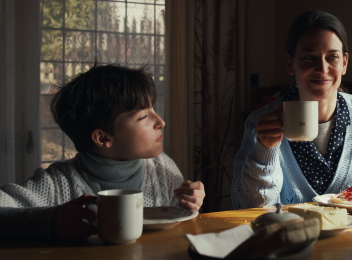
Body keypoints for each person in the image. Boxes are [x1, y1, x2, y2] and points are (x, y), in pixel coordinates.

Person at [0, 64, 206, 241]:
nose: (161, 122)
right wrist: (51, 221)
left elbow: (179, 226)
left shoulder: (162, 168)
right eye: (144, 117)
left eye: (154, 110)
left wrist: (192, 203)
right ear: (103, 138)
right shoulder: (57, 183)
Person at [232, 10, 352, 209]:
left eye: (332, 57)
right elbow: (246, 205)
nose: (322, 69)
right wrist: (265, 149)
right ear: (290, 64)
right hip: (292, 238)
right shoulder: (262, 123)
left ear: (344, 63)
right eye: (309, 58)